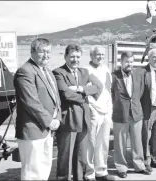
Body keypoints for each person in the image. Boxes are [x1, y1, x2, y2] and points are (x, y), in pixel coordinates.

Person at [52, 44, 103, 181]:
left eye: (78, 57)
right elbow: (65, 94)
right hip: (68, 120)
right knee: (65, 157)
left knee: (81, 157)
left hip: (83, 120)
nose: (75, 59)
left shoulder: (84, 72)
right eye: (72, 56)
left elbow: (98, 87)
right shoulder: (58, 72)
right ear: (65, 57)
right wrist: (84, 95)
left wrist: (80, 88)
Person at [13, 38, 61, 180]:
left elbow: (56, 98)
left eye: (48, 52)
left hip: (47, 130)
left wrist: (57, 118)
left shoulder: (48, 72)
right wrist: (49, 121)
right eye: (42, 52)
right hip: (32, 130)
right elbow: (31, 102)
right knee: (32, 172)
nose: (46, 55)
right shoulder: (25, 71)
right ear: (32, 52)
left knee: (44, 168)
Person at [111, 51, 151, 178]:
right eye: (127, 61)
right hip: (120, 114)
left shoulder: (139, 73)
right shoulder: (113, 76)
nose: (129, 64)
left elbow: (143, 92)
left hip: (136, 113)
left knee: (137, 142)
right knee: (120, 143)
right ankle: (121, 167)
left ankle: (139, 166)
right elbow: (111, 95)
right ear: (121, 62)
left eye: (131, 61)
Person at [83, 45, 115, 181]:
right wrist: (91, 107)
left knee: (103, 142)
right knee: (90, 142)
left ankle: (101, 171)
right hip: (92, 110)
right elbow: (85, 91)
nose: (100, 57)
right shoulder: (85, 70)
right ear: (91, 56)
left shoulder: (106, 69)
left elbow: (108, 91)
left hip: (106, 111)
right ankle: (89, 174)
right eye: (97, 54)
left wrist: (110, 111)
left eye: (102, 54)